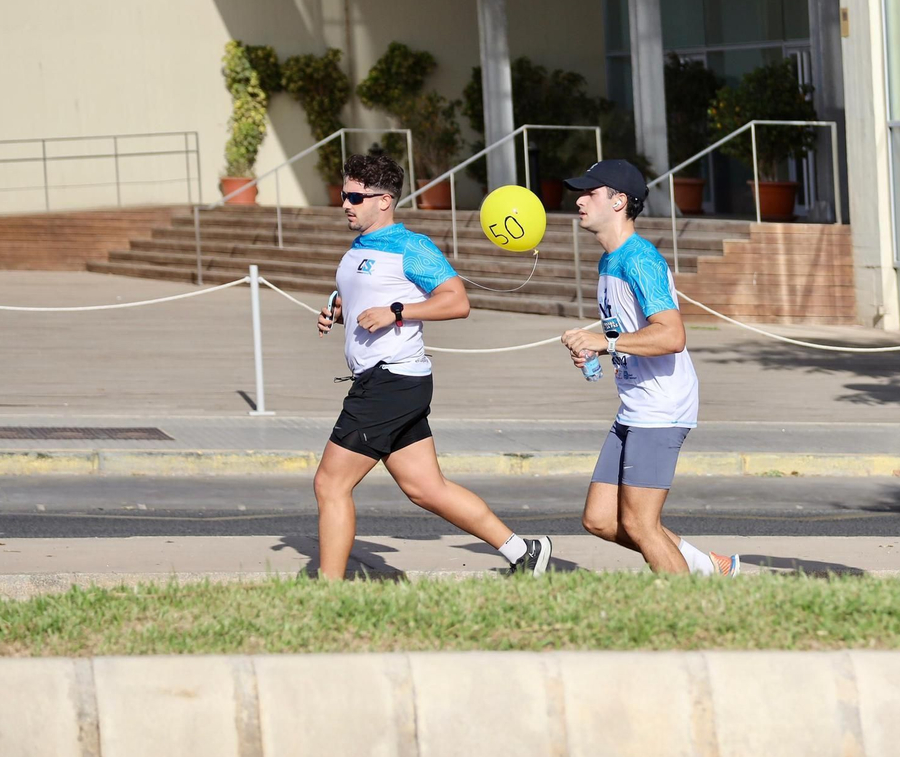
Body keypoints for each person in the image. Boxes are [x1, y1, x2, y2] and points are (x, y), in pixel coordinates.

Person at [314, 152, 550, 580]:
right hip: (392, 380)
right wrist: (339, 309)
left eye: (353, 196)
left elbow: (457, 301)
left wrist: (398, 311)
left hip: (390, 381)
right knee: (426, 488)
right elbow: (369, 296)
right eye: (342, 195)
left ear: (384, 200)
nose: (345, 204)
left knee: (330, 484)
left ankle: (327, 593)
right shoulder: (361, 245)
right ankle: (524, 552)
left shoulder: (412, 247)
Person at [559, 158, 739, 577]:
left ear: (619, 201)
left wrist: (605, 342)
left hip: (661, 406)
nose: (580, 200)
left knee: (640, 523)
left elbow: (672, 336)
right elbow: (627, 330)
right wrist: (598, 348)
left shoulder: (641, 260)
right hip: (635, 404)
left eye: (591, 192)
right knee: (601, 520)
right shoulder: (609, 260)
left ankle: (688, 613)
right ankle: (708, 567)